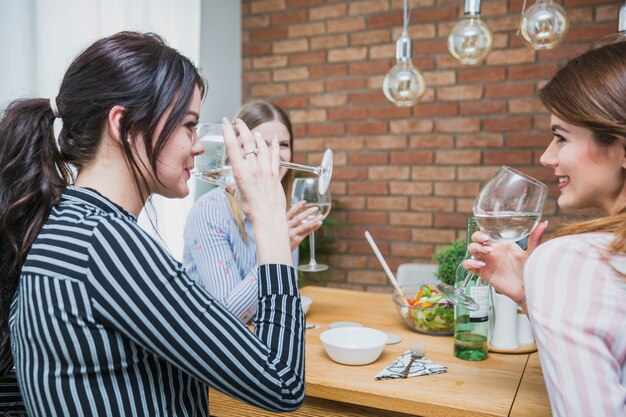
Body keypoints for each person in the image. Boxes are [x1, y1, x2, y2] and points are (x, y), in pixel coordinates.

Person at [0, 32, 305, 416]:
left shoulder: (66, 225)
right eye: (189, 126)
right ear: (124, 125)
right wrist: (272, 221)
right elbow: (282, 381)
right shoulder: (106, 246)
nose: (198, 145)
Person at [464, 40, 626, 417]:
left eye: (561, 137)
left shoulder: (574, 260)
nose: (546, 156)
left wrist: (552, 277)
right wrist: (530, 295)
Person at [183, 100, 322, 322]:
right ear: (233, 151)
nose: (274, 154)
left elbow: (280, 299)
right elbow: (226, 318)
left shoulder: (281, 212)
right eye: (259, 144)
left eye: (283, 145)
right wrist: (278, 245)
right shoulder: (208, 212)